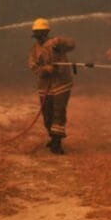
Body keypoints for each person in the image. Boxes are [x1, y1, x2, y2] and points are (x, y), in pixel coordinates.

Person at [27, 18, 76, 155]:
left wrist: (61, 41)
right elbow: (32, 66)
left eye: (41, 33)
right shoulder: (33, 50)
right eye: (36, 34)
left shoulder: (56, 43)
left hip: (61, 84)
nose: (39, 37)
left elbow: (72, 44)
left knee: (58, 113)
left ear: (46, 32)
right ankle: (53, 136)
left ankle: (57, 142)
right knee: (47, 114)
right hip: (44, 87)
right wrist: (45, 69)